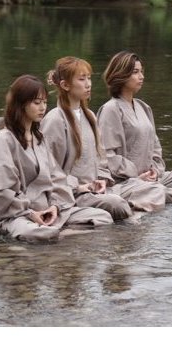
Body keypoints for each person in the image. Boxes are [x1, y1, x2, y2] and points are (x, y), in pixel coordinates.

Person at [0, 74, 113, 243]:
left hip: (47, 211)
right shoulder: (2, 139)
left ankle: (58, 232)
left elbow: (57, 179)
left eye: (45, 102)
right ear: (20, 104)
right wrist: (29, 213)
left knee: (103, 217)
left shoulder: (40, 139)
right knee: (42, 234)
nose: (42, 108)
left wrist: (55, 206)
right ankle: (56, 233)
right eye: (37, 103)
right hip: (14, 216)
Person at [97, 51, 172, 208]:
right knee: (156, 191)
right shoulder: (111, 109)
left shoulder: (144, 107)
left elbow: (155, 147)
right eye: (135, 72)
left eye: (141, 71)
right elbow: (107, 156)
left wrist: (155, 171)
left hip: (151, 178)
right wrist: (136, 174)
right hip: (126, 181)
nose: (141, 76)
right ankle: (165, 202)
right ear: (121, 75)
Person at [41, 56, 133, 221]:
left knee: (146, 191)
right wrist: (79, 186)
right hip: (71, 195)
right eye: (82, 79)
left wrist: (102, 180)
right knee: (118, 205)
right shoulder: (54, 120)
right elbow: (49, 171)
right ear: (65, 85)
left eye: (89, 78)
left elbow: (101, 158)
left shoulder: (90, 116)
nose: (88, 84)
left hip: (94, 190)